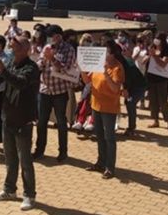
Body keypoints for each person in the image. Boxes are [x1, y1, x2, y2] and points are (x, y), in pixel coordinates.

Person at [0, 36, 40, 211]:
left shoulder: (31, 68)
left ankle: (29, 195)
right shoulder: (10, 64)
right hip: (7, 117)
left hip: (23, 120)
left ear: (25, 49)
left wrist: (1, 68)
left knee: (25, 160)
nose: (10, 49)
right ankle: (9, 190)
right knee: (10, 158)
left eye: (14, 47)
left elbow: (20, 83)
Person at [34, 25, 76, 162]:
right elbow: (39, 64)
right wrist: (42, 61)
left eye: (52, 36)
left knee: (61, 122)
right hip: (45, 90)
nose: (50, 39)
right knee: (41, 122)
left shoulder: (68, 49)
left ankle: (63, 151)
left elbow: (65, 69)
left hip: (60, 91)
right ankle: (39, 150)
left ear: (58, 36)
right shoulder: (47, 47)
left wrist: (52, 58)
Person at [85, 41, 126, 178]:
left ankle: (110, 167)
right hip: (96, 105)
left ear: (113, 54)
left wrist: (106, 74)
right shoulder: (98, 64)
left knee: (109, 138)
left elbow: (115, 88)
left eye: (107, 52)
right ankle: (100, 163)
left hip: (109, 108)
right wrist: (82, 68)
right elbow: (87, 81)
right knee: (100, 136)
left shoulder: (117, 68)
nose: (104, 55)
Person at [145, 36, 168, 129]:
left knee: (163, 101)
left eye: (158, 39)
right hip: (151, 79)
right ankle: (155, 120)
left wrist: (154, 56)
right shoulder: (152, 48)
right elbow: (144, 61)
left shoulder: (167, 51)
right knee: (153, 101)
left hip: (162, 80)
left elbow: (163, 64)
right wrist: (150, 55)